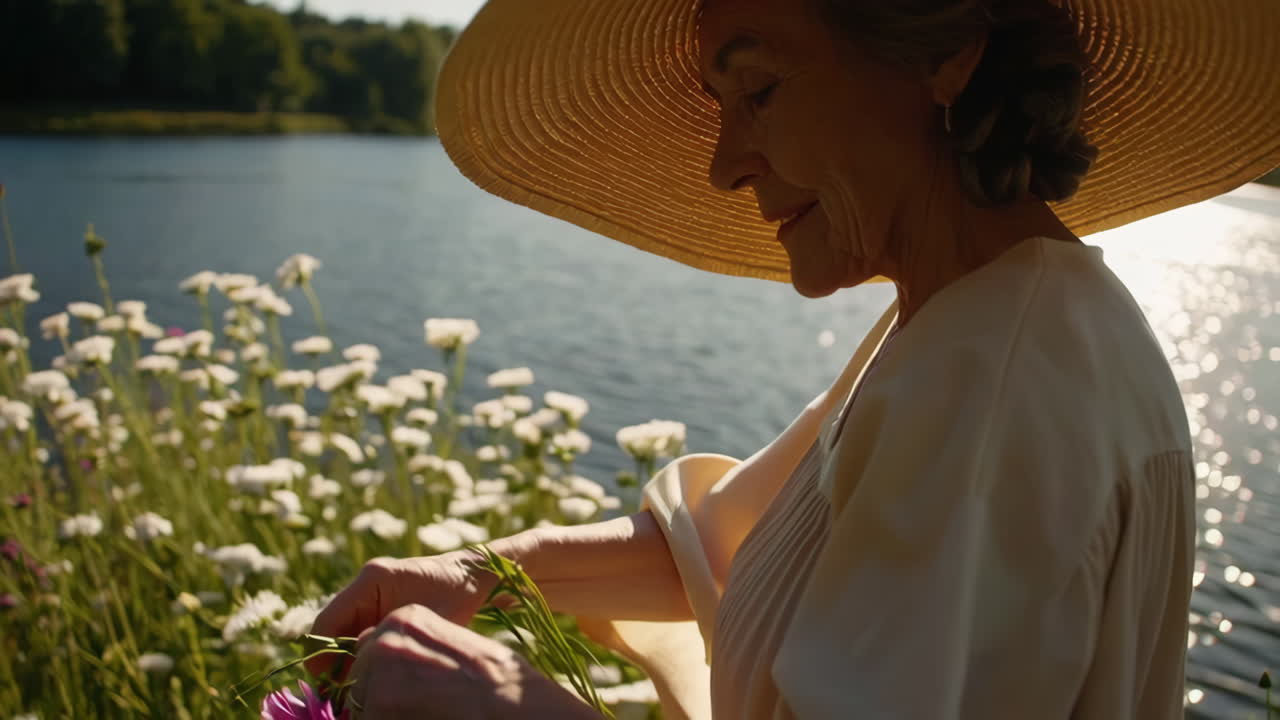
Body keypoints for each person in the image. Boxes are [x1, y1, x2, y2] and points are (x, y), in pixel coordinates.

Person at [308, 0, 1280, 717]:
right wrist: (482, 572)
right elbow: (729, 555)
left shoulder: (992, 376)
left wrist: (501, 707)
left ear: (943, 53)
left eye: (758, 89)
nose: (722, 164)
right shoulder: (985, 317)